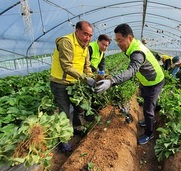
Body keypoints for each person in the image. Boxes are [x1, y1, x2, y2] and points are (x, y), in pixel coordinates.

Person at [95, 23, 165, 145]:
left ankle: (149, 133)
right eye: (117, 41)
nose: (118, 43)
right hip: (147, 80)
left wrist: (111, 81)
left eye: (120, 40)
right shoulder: (132, 47)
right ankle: (150, 120)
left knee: (148, 108)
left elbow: (131, 71)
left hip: (154, 82)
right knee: (146, 100)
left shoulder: (137, 52)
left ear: (130, 38)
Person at [50, 21, 95, 151]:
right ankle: (63, 140)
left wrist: (91, 78)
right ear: (77, 31)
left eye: (90, 35)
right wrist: (86, 79)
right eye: (85, 34)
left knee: (80, 107)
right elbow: (67, 66)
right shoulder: (66, 42)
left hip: (75, 83)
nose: (88, 38)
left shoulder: (85, 46)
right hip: (60, 83)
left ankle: (78, 128)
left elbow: (87, 66)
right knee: (64, 112)